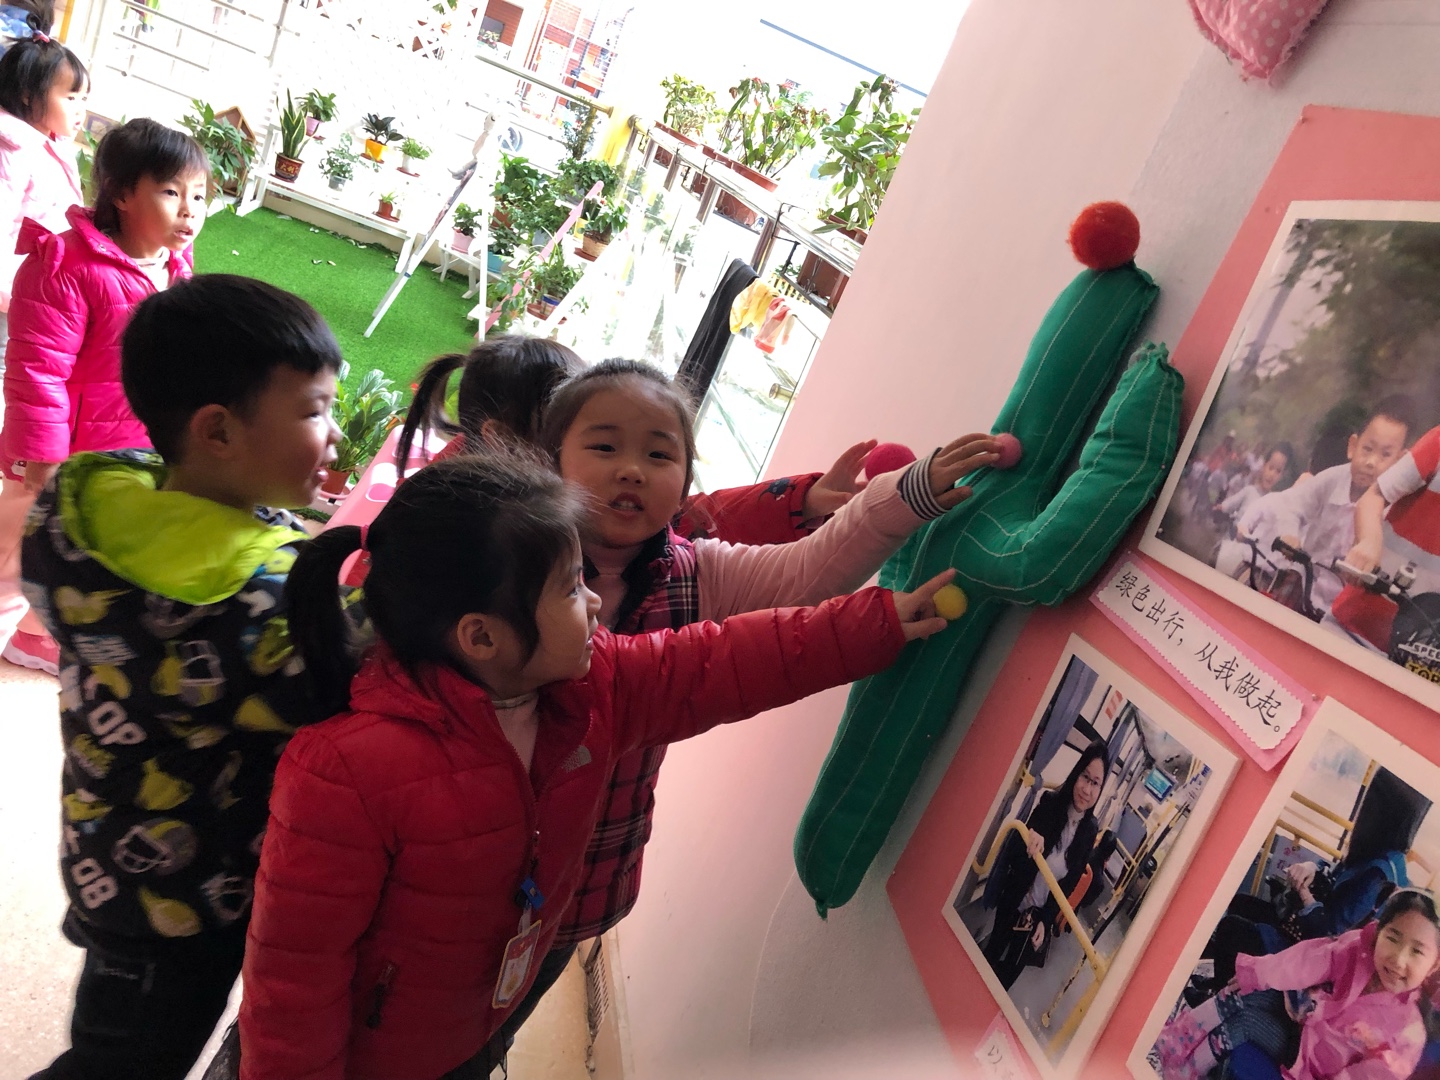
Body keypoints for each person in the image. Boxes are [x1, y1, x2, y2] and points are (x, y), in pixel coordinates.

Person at [236, 451, 958, 1080]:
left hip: (470, 1032)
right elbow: (292, 983)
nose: (593, 602)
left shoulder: (593, 686)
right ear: (481, 637)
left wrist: (877, 623)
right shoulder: (345, 773)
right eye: (568, 587)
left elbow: (723, 662)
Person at [22, 275, 344, 1080]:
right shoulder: (244, 608)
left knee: (110, 1047)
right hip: (182, 906)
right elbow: (333, 678)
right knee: (125, 1067)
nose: (334, 434)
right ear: (218, 431)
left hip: (106, 853)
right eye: (314, 411)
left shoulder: (98, 502)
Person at [0, 117, 207, 673]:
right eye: (171, 193)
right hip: (54, 454)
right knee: (13, 557)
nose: (190, 210)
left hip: (121, 451)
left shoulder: (173, 267)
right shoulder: (64, 265)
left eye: (198, 195)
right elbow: (37, 371)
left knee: (75, 561)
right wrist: (41, 458)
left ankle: (33, 637)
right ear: (120, 195)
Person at [394, 336, 868, 546]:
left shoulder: (590, 503)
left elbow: (694, 520)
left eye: (659, 453)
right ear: (502, 440)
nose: (631, 469)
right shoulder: (451, 519)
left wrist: (802, 500)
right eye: (599, 442)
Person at [1157, 888, 1440, 1080]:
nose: (1399, 959)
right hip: (1306, 1023)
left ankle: (1182, 1073)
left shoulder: (1409, 1033)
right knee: (1245, 993)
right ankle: (1174, 1042)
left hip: (1313, 1066)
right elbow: (1309, 960)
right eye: (1393, 938)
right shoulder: (1358, 949)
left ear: (1435, 963)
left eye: (1417, 951)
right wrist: (1257, 973)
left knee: (1245, 1022)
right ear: (1378, 933)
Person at [1205, 768, 1428, 988]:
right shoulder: (1381, 853)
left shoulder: (1378, 875)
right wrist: (1311, 867)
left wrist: (1304, 893)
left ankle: (1222, 993)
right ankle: (1225, 983)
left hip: (1315, 959)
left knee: (1231, 928)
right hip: (1307, 934)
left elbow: (1329, 935)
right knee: (1241, 903)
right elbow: (1336, 873)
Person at [1255, 398, 1414, 619]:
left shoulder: (1394, 511)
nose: (1371, 462)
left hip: (1343, 605)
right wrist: (1290, 535)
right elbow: (1292, 505)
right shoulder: (1332, 479)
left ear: (1400, 463)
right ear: (1353, 446)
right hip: (1305, 578)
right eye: (1367, 449)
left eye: (1385, 455)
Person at [981, 742, 1109, 990]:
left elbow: (1068, 884)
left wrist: (1046, 921)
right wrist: (1030, 837)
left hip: (1036, 916)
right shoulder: (1050, 803)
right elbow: (1014, 855)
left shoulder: (1089, 830)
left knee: (1008, 977)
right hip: (1014, 898)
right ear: (1076, 774)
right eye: (1085, 777)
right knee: (989, 958)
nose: (1087, 789)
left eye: (1095, 783)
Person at [0, 36, 86, 367]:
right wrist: (9, 294)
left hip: (34, 289)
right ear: (27, 94)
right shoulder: (13, 150)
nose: (80, 109)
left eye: (84, 98)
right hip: (10, 293)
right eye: (70, 97)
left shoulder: (52, 144)